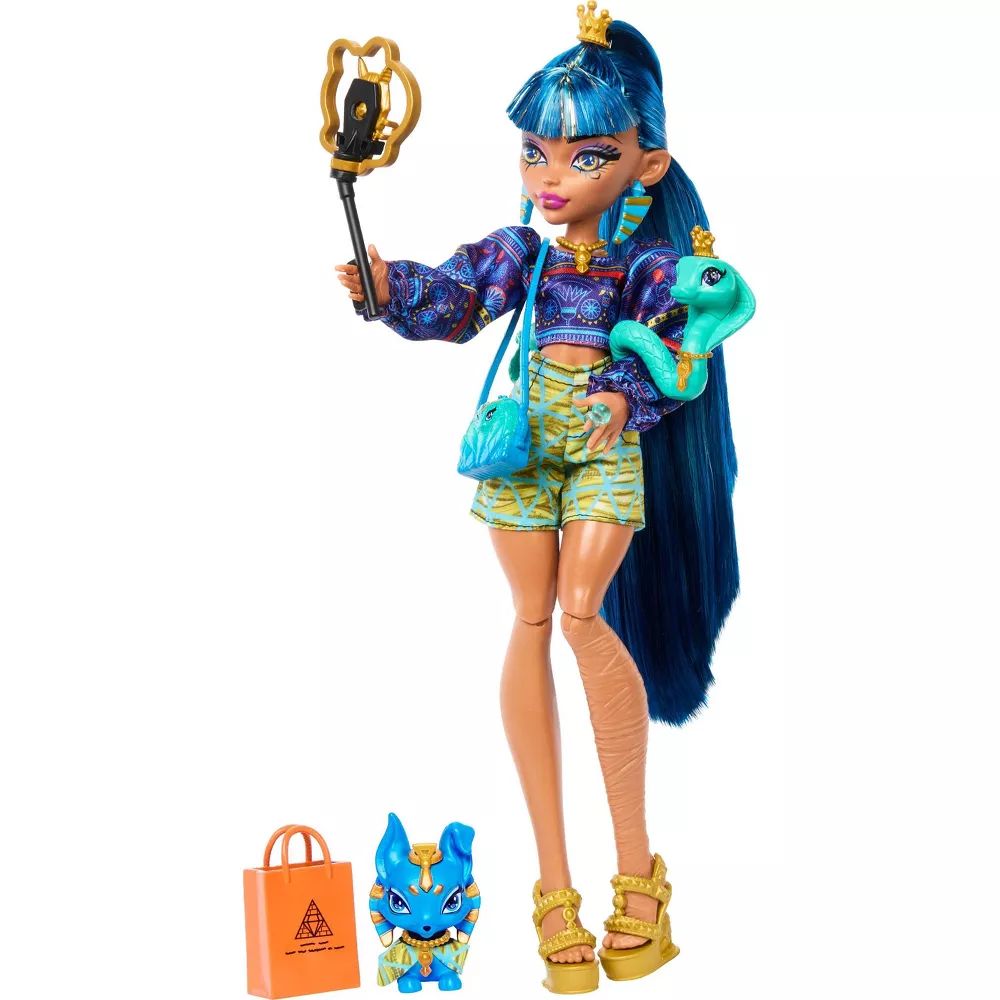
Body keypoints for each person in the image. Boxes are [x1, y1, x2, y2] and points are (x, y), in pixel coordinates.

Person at [336, 4, 745, 991]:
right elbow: (457, 294)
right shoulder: (524, 254)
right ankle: (554, 888)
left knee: (578, 612)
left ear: (645, 164)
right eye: (535, 153)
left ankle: (638, 874)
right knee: (530, 618)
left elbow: (678, 345)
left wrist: (626, 393)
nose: (551, 176)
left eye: (584, 157)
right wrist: (387, 287)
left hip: (600, 448)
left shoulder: (649, 267)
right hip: (523, 448)